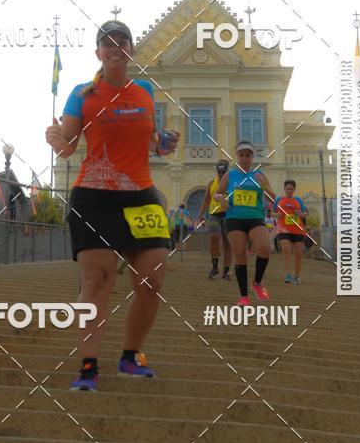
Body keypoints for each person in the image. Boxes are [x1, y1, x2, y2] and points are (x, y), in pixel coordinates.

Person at [46, 19, 179, 391]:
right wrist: (55, 138)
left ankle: (130, 358)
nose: (115, 47)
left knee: (152, 279)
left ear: (131, 51)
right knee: (98, 280)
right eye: (107, 42)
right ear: (98, 53)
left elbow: (152, 141)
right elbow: (68, 147)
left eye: (122, 41)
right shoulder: (82, 94)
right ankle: (88, 367)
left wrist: (164, 143)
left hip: (141, 195)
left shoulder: (145, 92)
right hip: (94, 196)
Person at [214, 141, 276, 305]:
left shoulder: (259, 175)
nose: (244, 158)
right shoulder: (230, 175)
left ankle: (257, 283)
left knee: (264, 248)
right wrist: (221, 199)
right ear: (237, 157)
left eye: (248, 155)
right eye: (241, 155)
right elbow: (217, 194)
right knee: (240, 253)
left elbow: (273, 199)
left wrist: (263, 186)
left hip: (255, 218)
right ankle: (243, 297)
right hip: (234, 218)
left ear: (252, 157)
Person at [197, 160, 232, 279]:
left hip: (228, 214)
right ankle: (215, 267)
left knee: (227, 243)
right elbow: (207, 200)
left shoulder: (232, 182)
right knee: (213, 237)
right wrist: (200, 214)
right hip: (214, 214)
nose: (221, 174)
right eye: (219, 172)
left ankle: (226, 271)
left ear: (227, 171)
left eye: (223, 172)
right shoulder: (212, 183)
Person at [273, 180, 308, 284]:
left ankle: (296, 276)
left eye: (291, 189)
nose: (289, 191)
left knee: (298, 252)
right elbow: (271, 213)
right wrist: (277, 215)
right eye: (287, 188)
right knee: (285, 248)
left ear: (294, 189)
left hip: (297, 229)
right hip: (283, 228)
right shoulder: (279, 200)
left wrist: (300, 214)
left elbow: (306, 213)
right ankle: (288, 275)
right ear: (284, 189)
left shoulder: (298, 200)